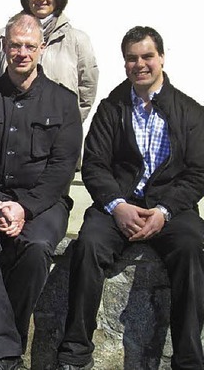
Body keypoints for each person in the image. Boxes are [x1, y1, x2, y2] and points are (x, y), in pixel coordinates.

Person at [56, 27, 204, 370]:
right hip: (118, 205)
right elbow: (93, 164)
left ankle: (189, 359)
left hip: (170, 208)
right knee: (89, 244)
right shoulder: (112, 108)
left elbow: (197, 173)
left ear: (162, 58)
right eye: (132, 58)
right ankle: (75, 354)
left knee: (191, 245)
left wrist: (164, 212)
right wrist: (117, 206)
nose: (140, 64)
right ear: (124, 63)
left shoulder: (190, 112)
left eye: (147, 56)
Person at [0, 13, 82, 370]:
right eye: (16, 45)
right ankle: (7, 353)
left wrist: (22, 208)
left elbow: (62, 168)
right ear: (4, 47)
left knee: (37, 246)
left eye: (30, 46)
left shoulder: (63, 101)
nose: (22, 53)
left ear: (42, 48)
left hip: (43, 204)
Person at [0, 0, 98, 123]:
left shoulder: (77, 40)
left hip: (57, 132)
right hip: (10, 128)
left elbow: (87, 89)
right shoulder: (2, 36)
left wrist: (69, 123)